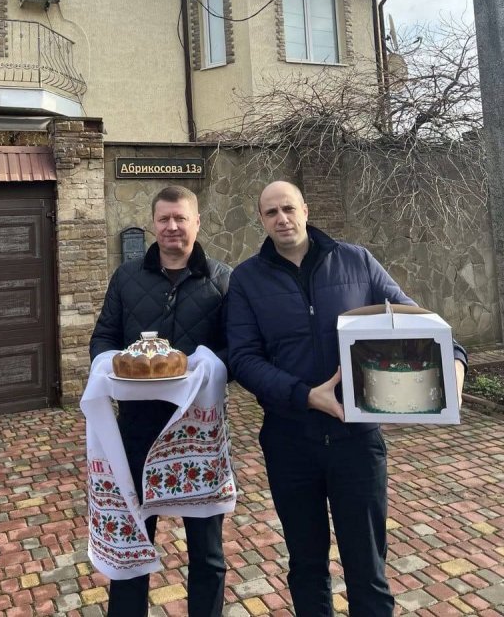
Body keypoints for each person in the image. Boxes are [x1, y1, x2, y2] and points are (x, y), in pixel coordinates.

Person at [226, 180, 467, 617]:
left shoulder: (357, 260)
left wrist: (453, 357)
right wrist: (305, 396)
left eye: (288, 208)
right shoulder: (246, 279)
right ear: (261, 219)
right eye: (271, 212)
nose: (282, 219)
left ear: (305, 209)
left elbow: (414, 318)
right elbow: (243, 358)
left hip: (357, 440)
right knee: (306, 566)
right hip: (289, 440)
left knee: (368, 568)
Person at [89, 185, 231, 617]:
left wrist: (208, 365)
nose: (172, 226)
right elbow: (104, 337)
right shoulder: (127, 277)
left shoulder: (222, 280)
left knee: (207, 552)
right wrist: (106, 365)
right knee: (130, 545)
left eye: (180, 218)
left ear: (197, 222)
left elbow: (237, 348)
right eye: (164, 219)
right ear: (153, 223)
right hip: (137, 431)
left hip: (198, 434)